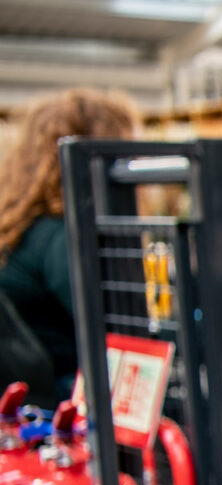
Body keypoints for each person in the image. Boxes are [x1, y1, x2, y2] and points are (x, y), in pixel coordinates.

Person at [0, 89, 139, 405]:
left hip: (28, 399)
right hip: (63, 399)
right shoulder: (59, 236)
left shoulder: (22, 225)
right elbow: (122, 327)